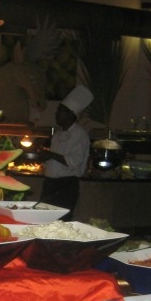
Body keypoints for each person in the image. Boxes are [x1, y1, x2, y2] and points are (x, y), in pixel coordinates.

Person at [39, 85, 93, 219]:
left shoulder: (79, 134)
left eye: (60, 111)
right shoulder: (57, 134)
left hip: (66, 185)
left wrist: (50, 155)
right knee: (43, 219)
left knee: (61, 220)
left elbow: (73, 161)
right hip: (50, 184)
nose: (56, 114)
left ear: (70, 114)